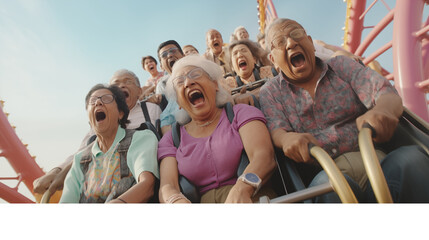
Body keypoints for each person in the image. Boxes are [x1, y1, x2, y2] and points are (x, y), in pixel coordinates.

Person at [260, 18, 429, 202]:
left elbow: (385, 92)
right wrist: (287, 139)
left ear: (310, 42)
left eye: (296, 34)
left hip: (374, 156)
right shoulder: (271, 91)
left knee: (412, 160)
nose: (291, 43)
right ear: (273, 60)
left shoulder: (340, 66)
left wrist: (383, 110)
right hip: (327, 170)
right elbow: (278, 130)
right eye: (280, 42)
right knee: (326, 189)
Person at [157, 55, 276, 203]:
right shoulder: (172, 139)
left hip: (251, 198)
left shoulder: (241, 113)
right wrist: (176, 201)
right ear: (178, 102)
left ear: (215, 85)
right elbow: (168, 186)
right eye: (180, 82)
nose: (188, 82)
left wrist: (243, 188)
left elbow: (264, 157)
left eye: (195, 74)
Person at [33, 69, 162, 198]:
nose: (121, 85)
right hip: (96, 176)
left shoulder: (151, 110)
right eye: (116, 84)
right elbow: (80, 153)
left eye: (128, 81)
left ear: (139, 91)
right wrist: (56, 171)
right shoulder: (97, 126)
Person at [60, 84, 159, 203]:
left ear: (121, 113)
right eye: (93, 101)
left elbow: (147, 186)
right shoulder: (80, 159)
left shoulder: (141, 138)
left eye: (106, 99)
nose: (98, 103)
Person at [222, 39, 278, 105]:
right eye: (235, 53)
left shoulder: (270, 72)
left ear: (254, 59)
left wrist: (251, 95)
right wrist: (235, 98)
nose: (240, 55)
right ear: (232, 67)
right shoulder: (228, 84)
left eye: (243, 50)